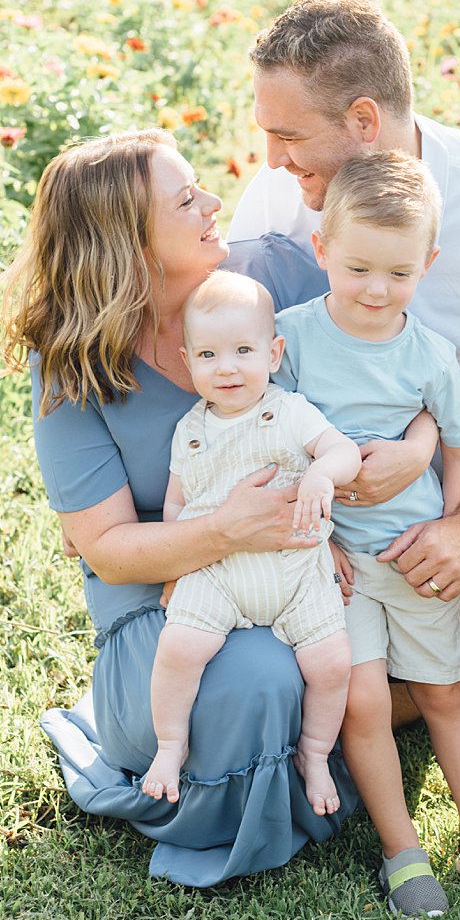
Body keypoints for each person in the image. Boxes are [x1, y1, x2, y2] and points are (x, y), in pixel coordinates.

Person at [229, 0, 460, 883]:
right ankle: (458, 629)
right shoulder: (280, 204)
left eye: (287, 137)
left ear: (364, 121)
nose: (273, 159)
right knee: (301, 673)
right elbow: (244, 374)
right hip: (335, 470)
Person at [0, 128, 386, 887]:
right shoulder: (73, 360)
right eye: (185, 202)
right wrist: (223, 531)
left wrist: (389, 464)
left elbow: (393, 365)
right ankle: (249, 771)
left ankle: (350, 728)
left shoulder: (277, 276)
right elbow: (104, 546)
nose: (214, 203)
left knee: (351, 661)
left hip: (300, 564)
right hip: (161, 599)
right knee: (261, 681)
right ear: (128, 244)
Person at [277, 150, 460, 915]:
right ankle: (403, 851)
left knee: (446, 692)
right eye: (356, 269)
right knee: (364, 703)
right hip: (336, 566)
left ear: (427, 265)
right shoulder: (293, 342)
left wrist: (457, 532)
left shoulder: (430, 356)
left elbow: (459, 444)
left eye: (398, 274)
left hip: (414, 558)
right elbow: (272, 440)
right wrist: (319, 544)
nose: (377, 291)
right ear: (321, 249)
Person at [141, 271, 358, 816]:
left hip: (296, 569)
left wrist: (321, 476)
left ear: (274, 351)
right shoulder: (189, 430)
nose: (228, 367)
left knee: (332, 663)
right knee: (178, 650)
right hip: (217, 573)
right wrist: (174, 567)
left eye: (243, 350)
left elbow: (343, 451)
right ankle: (170, 747)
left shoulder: (289, 411)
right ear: (188, 363)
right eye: (210, 354)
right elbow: (176, 505)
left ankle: (315, 752)